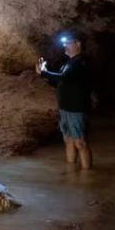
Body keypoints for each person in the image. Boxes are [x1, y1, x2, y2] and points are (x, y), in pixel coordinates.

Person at [37, 32, 93, 170]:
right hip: (65, 107)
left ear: (77, 44)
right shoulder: (68, 63)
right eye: (64, 43)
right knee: (68, 140)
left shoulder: (80, 62)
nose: (64, 46)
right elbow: (60, 83)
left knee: (80, 143)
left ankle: (88, 177)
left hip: (76, 108)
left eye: (67, 43)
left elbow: (63, 78)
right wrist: (45, 75)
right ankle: (71, 172)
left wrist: (44, 72)